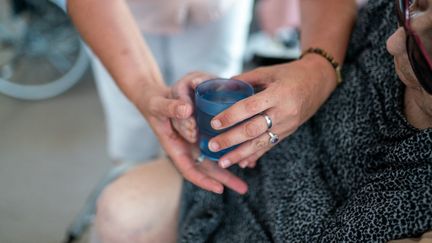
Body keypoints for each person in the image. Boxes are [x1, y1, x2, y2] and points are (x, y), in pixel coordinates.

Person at [175, 0, 432, 241]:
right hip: (223, 177)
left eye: (424, 52)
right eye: (413, 4)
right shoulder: (393, 22)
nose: (393, 43)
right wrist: (318, 67)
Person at [62, 0, 253, 242]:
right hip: (121, 16)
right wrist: (143, 91)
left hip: (214, 11)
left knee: (209, 125)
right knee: (133, 144)